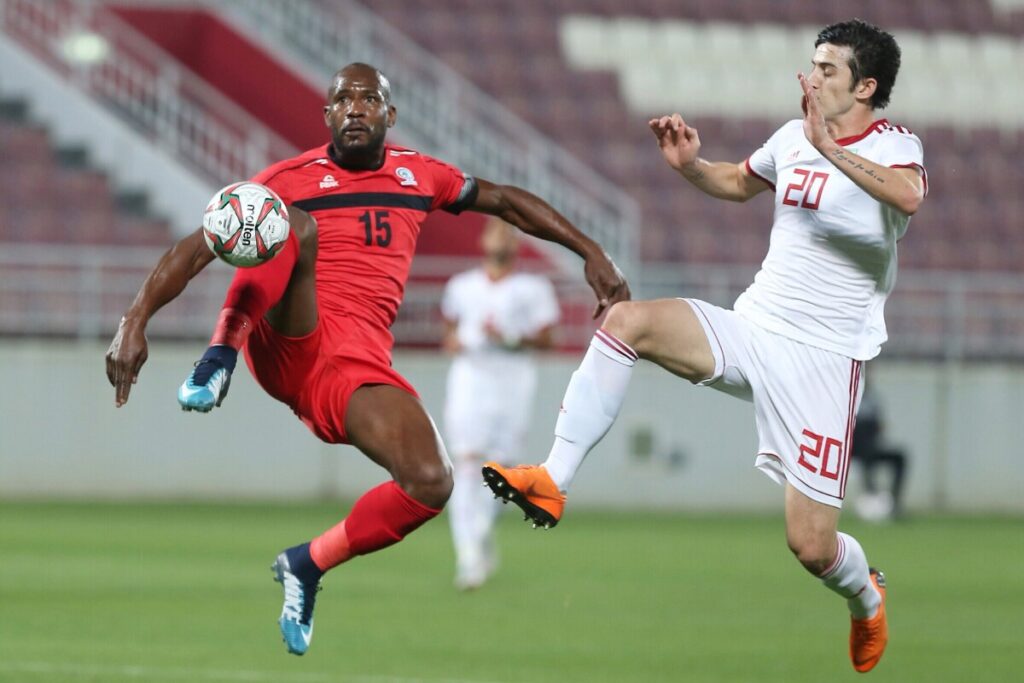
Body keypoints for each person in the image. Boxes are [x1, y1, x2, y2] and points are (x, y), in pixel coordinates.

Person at [105, 62, 629, 656]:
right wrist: (134, 320)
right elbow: (198, 246)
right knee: (283, 221)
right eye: (343, 99)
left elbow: (506, 202)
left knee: (432, 481)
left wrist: (590, 250)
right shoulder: (288, 178)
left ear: (391, 114)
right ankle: (218, 355)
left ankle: (308, 563)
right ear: (326, 114)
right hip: (290, 339)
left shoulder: (418, 174)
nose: (355, 107)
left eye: (369, 98)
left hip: (355, 367)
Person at [484, 20, 925, 673]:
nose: (812, 77)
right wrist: (692, 165)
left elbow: (908, 197)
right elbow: (737, 182)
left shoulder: (895, 145)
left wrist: (830, 148)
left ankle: (866, 595)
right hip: (755, 326)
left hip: (825, 360)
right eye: (813, 64)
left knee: (810, 546)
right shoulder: (793, 137)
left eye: (828, 69)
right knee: (626, 321)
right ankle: (553, 479)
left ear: (865, 86)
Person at [440, 217, 560, 590]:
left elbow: (547, 339)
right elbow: (449, 330)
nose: (501, 238)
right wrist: (455, 342)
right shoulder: (461, 286)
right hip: (470, 378)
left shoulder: (533, 288)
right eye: (495, 231)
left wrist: (509, 338)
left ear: (517, 244)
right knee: (466, 462)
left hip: (513, 380)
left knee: (501, 470)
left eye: (508, 233)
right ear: (483, 240)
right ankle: (468, 556)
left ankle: (480, 534)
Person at [851, 380, 907, 522]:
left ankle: (893, 503)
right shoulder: (847, 398)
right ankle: (871, 495)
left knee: (899, 457)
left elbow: (880, 426)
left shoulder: (872, 400)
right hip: (849, 449)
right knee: (867, 456)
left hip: (871, 447)